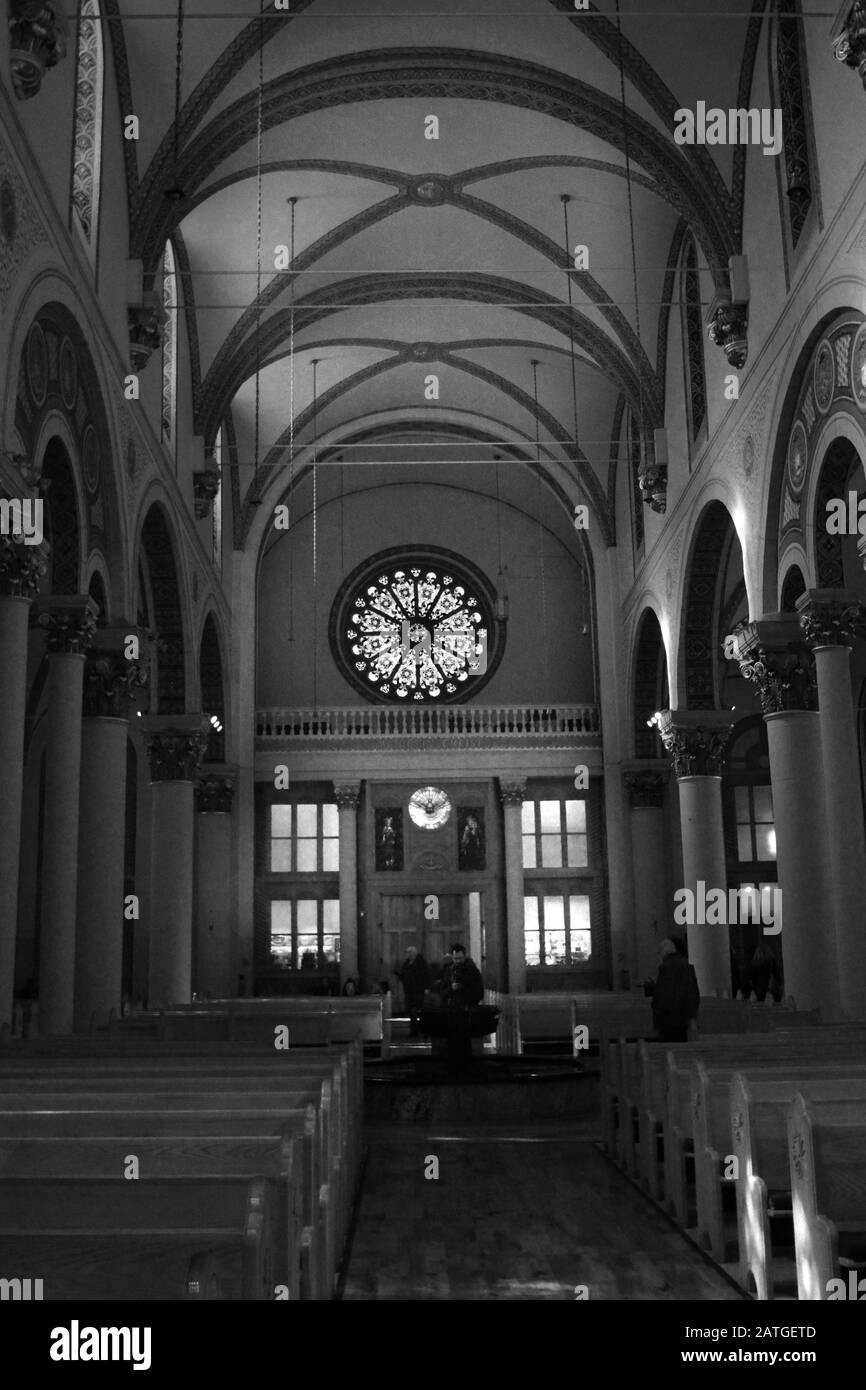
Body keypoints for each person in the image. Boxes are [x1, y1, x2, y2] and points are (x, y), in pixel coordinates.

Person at [646, 938, 699, 1042]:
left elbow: (664, 996)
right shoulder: (687, 965)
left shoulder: (666, 967)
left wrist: (656, 1007)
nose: (658, 956)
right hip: (684, 1020)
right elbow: (693, 994)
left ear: (664, 952)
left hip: (669, 1021)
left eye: (659, 952)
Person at [396, 944, 428, 1036]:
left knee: (418, 1011)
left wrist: (426, 988)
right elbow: (404, 975)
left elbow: (425, 976)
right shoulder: (406, 963)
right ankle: (413, 1031)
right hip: (409, 991)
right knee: (411, 1012)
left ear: (415, 953)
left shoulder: (421, 963)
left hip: (418, 990)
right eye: (408, 952)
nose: (409, 954)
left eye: (411, 952)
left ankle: (422, 1030)